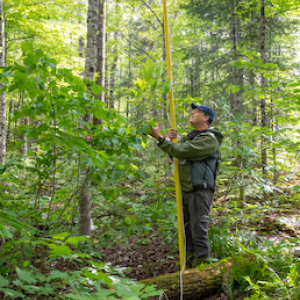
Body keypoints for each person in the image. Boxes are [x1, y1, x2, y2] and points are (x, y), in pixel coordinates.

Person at [150, 103, 223, 268]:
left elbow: (182, 151)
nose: (192, 112)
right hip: (187, 189)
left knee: (198, 230)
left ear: (206, 118)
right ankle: (188, 268)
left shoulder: (209, 139)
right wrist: (168, 139)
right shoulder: (192, 138)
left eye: (196, 111)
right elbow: (174, 155)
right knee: (186, 231)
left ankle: (202, 271)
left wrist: (160, 139)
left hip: (200, 189)